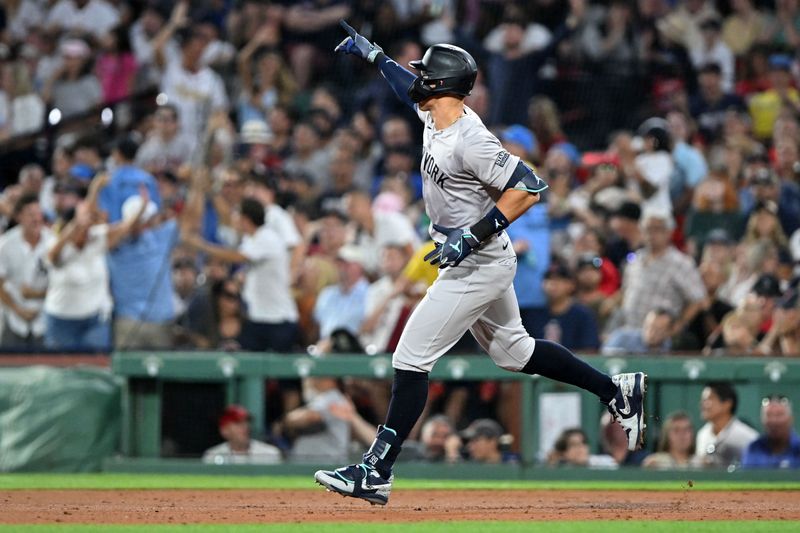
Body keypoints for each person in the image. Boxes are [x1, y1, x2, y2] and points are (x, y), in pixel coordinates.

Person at [315, 21, 647, 506]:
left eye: (426, 74)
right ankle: (614, 390)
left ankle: (376, 470)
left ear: (441, 85)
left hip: (479, 263)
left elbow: (530, 186)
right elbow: (406, 83)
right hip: (481, 260)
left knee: (410, 357)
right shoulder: (435, 114)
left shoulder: (471, 137)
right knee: (514, 352)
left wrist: (471, 237)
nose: (418, 80)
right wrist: (373, 56)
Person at [695, 382, 758, 467]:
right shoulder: (702, 434)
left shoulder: (748, 437)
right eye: (703, 400)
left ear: (727, 404)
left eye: (709, 399)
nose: (703, 404)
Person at [202, 405, 282, 465]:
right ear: (224, 430)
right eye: (238, 423)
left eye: (247, 422)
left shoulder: (270, 454)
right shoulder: (212, 455)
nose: (245, 427)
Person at [742, 395, 800, 469]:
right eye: (769, 415)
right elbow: (748, 477)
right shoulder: (754, 448)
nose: (774, 421)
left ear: (791, 419)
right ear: (762, 420)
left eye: (779, 415)